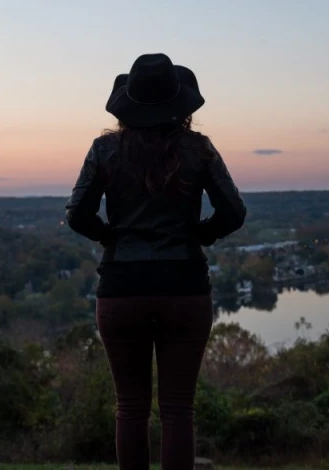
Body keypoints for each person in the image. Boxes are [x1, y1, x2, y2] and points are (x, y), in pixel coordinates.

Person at [65, 53, 247, 470]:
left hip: (121, 287)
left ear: (128, 105)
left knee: (129, 407)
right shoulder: (198, 150)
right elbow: (233, 213)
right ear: (179, 105)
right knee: (178, 408)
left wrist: (110, 236)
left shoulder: (105, 150)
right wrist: (199, 234)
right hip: (183, 283)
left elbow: (77, 214)